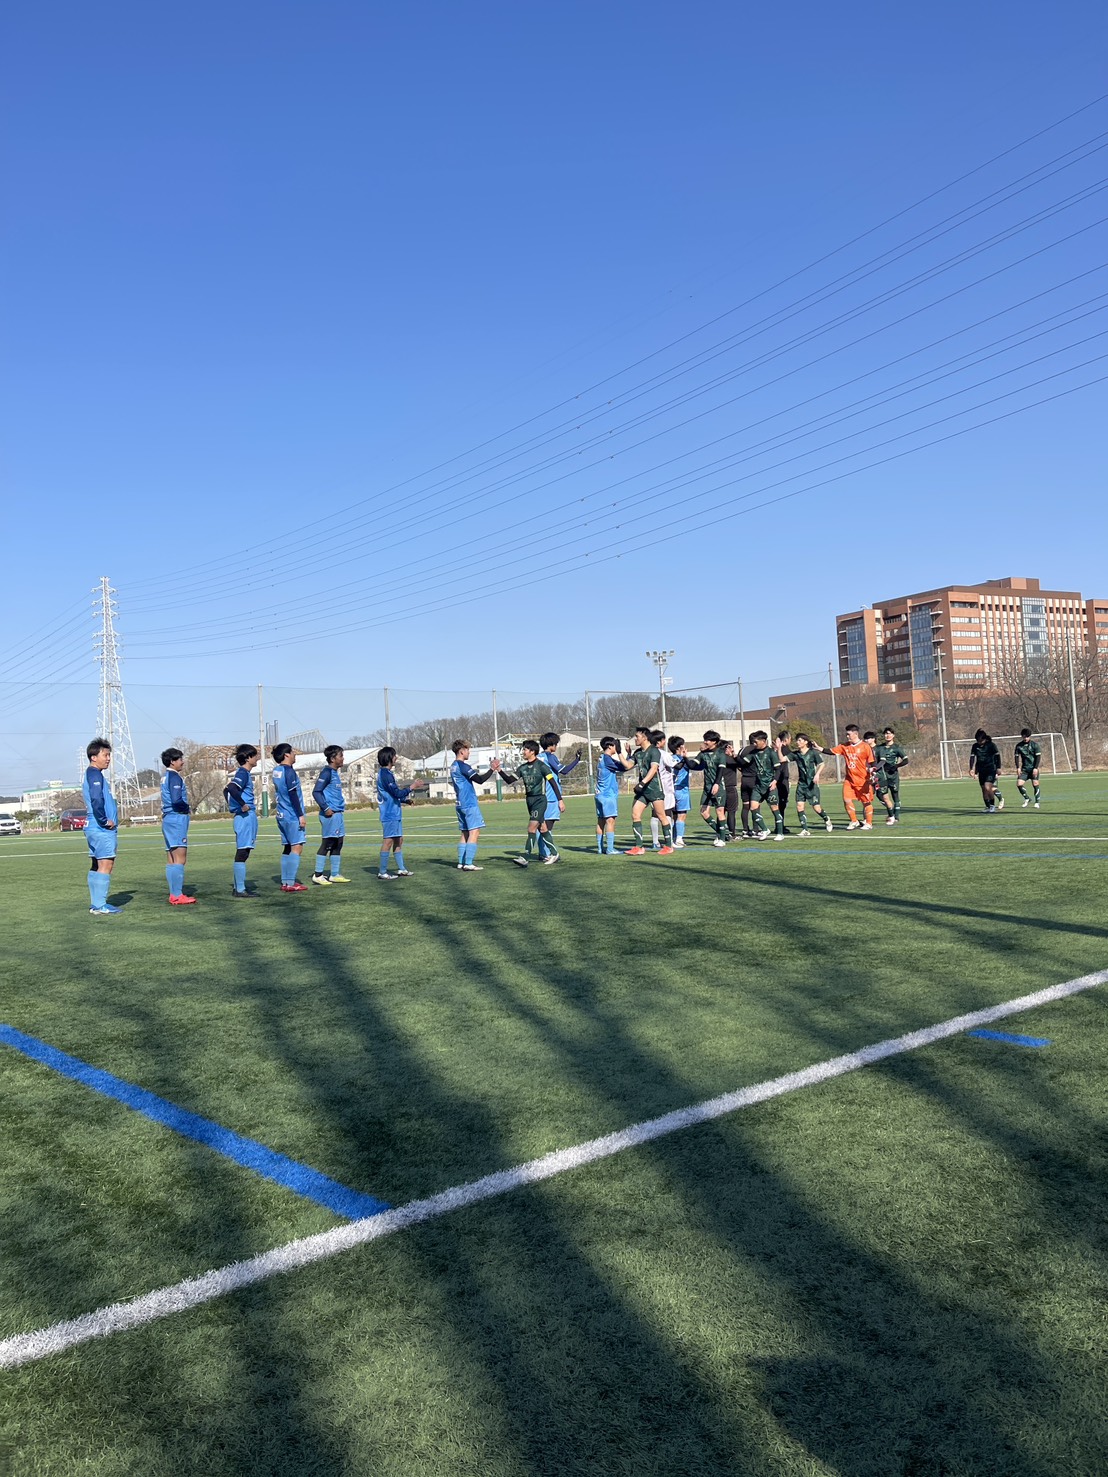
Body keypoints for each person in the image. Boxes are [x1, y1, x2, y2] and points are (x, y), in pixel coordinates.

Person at [502, 741, 562, 866]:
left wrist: (560, 800)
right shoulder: (522, 768)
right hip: (529, 801)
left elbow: (553, 783)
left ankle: (525, 857)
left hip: (540, 800)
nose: (523, 752)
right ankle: (554, 853)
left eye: (525, 750)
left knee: (531, 828)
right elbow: (509, 780)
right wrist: (498, 770)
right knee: (543, 828)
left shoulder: (542, 766)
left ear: (532, 751)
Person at [82, 738, 121, 915]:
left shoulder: (93, 774)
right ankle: (100, 905)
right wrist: (104, 820)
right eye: (105, 755)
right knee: (106, 864)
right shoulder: (95, 774)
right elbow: (97, 799)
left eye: (109, 755)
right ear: (93, 757)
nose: (108, 759)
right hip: (100, 827)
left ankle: (95, 904)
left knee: (96, 865)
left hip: (92, 826)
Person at [450, 740, 501, 870]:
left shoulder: (453, 766)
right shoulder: (463, 766)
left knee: (465, 833)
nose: (469, 752)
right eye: (467, 750)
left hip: (459, 803)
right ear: (461, 751)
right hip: (468, 803)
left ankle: (461, 862)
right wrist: (492, 769)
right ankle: (468, 863)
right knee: (474, 831)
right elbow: (479, 780)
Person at [624, 726, 673, 855]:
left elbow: (654, 769)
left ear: (645, 737)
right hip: (643, 791)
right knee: (635, 814)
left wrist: (642, 783)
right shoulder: (638, 752)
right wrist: (620, 753)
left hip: (654, 789)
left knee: (661, 816)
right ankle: (639, 847)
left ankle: (669, 846)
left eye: (637, 736)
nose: (635, 739)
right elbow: (628, 765)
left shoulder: (654, 751)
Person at [820, 725, 876, 829]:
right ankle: (854, 821)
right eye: (846, 734)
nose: (847, 736)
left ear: (856, 734)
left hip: (863, 780)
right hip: (849, 779)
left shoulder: (865, 746)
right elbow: (831, 751)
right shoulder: (844, 746)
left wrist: (872, 772)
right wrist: (820, 748)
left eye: (849, 734)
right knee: (846, 799)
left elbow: (873, 762)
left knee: (866, 802)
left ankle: (869, 823)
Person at [160, 747, 196, 905]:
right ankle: (177, 894)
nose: (183, 762)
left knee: (171, 858)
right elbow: (176, 800)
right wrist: (186, 807)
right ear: (172, 762)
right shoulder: (174, 777)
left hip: (168, 819)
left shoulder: (165, 777)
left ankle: (173, 893)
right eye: (180, 759)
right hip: (176, 819)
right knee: (180, 858)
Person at [224, 744, 260, 899]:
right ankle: (239, 889)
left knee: (245, 851)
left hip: (245, 816)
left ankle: (238, 887)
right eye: (255, 755)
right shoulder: (243, 773)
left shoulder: (244, 773)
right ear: (248, 758)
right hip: (245, 817)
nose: (257, 758)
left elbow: (226, 790)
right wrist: (242, 804)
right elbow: (232, 788)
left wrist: (233, 805)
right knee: (243, 852)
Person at [311, 745, 351, 885]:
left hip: (338, 813)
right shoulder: (326, 773)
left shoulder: (334, 773)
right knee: (327, 843)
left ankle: (334, 874)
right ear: (333, 758)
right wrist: (325, 807)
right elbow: (316, 792)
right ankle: (318, 875)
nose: (343, 758)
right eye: (341, 756)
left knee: (338, 843)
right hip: (330, 814)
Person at [271, 743, 308, 892]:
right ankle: (291, 882)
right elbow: (293, 794)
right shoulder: (289, 771)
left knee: (287, 847)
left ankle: (285, 882)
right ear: (286, 755)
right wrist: (300, 815)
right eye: (292, 752)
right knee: (297, 847)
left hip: (281, 814)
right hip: (292, 815)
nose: (294, 754)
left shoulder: (276, 770)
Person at [685, 729, 729, 846]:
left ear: (714, 742)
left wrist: (716, 784)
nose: (705, 742)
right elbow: (692, 765)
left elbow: (721, 770)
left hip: (718, 786)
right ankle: (722, 833)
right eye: (705, 739)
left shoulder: (720, 754)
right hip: (707, 788)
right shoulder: (703, 754)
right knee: (704, 812)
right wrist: (685, 757)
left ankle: (722, 840)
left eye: (707, 740)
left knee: (719, 811)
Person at [737, 731, 785, 839]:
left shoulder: (771, 752)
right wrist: (733, 757)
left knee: (774, 809)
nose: (754, 744)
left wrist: (775, 781)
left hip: (770, 786)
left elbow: (778, 769)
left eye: (756, 742)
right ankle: (764, 829)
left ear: (763, 741)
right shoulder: (753, 753)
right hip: (758, 786)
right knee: (753, 808)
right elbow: (743, 762)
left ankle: (780, 833)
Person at [376, 746, 414, 878]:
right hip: (389, 813)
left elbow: (393, 795)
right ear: (389, 758)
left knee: (399, 840)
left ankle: (401, 869)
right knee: (388, 841)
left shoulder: (388, 773)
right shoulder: (385, 774)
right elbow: (396, 792)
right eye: (394, 755)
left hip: (395, 812)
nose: (396, 757)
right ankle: (382, 872)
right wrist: (411, 787)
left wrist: (405, 800)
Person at [789, 733, 834, 835]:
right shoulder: (796, 754)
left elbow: (821, 764)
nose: (797, 742)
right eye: (797, 740)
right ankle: (805, 830)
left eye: (800, 740)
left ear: (805, 742)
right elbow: (782, 759)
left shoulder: (812, 753)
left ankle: (826, 819)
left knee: (816, 808)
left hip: (811, 785)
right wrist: (779, 748)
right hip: (801, 784)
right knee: (799, 806)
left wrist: (817, 774)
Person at [539, 732, 577, 845]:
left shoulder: (539, 757)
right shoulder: (550, 757)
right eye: (555, 743)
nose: (556, 746)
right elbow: (564, 770)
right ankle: (547, 852)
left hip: (540, 795)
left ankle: (542, 851)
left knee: (540, 825)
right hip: (551, 796)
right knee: (548, 826)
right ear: (551, 744)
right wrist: (577, 760)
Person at [594, 737, 624, 855]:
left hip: (599, 794)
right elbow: (624, 767)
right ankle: (610, 849)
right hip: (607, 794)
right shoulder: (607, 759)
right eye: (616, 745)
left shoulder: (601, 758)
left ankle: (600, 848)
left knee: (600, 821)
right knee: (610, 821)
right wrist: (628, 757)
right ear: (610, 746)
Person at [873, 727, 909, 825]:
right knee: (880, 795)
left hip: (893, 775)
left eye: (889, 733)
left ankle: (895, 817)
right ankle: (891, 812)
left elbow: (906, 760)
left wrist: (896, 766)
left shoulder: (897, 748)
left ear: (893, 735)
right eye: (886, 733)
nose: (887, 735)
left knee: (895, 795)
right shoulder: (880, 748)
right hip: (881, 775)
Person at [968, 729, 1004, 812]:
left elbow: (997, 757)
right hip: (981, 770)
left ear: (984, 739)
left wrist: (998, 767)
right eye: (977, 741)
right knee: (983, 789)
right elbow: (972, 757)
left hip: (991, 769)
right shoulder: (975, 746)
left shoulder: (991, 745)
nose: (979, 742)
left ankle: (992, 806)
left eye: (980, 741)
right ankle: (987, 807)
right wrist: (971, 769)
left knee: (988, 787)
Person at [667, 735, 691, 847]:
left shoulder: (669, 759)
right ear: (679, 747)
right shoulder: (682, 759)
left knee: (674, 816)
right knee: (681, 815)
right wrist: (685, 758)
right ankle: (679, 839)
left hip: (671, 790)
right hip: (682, 790)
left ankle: (672, 838)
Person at [1014, 728, 1042, 808]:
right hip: (1024, 769)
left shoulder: (1034, 745)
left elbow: (1038, 757)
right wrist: (1018, 767)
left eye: (1027, 737)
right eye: (1024, 737)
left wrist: (1035, 768)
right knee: (1019, 784)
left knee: (1035, 784)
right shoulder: (1019, 746)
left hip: (1033, 768)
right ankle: (1027, 798)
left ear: (1029, 736)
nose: (1025, 738)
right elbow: (1016, 757)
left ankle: (1037, 802)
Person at [773, 729, 793, 833]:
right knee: (781, 804)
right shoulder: (784, 749)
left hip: (776, 779)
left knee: (778, 804)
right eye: (790, 739)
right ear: (786, 739)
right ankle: (779, 826)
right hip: (781, 779)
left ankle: (779, 825)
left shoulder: (775, 750)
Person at [722, 741, 741, 840]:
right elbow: (741, 763)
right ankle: (732, 834)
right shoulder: (728, 759)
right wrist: (733, 754)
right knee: (731, 811)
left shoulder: (718, 758)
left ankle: (721, 833)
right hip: (729, 787)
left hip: (721, 787)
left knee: (721, 811)